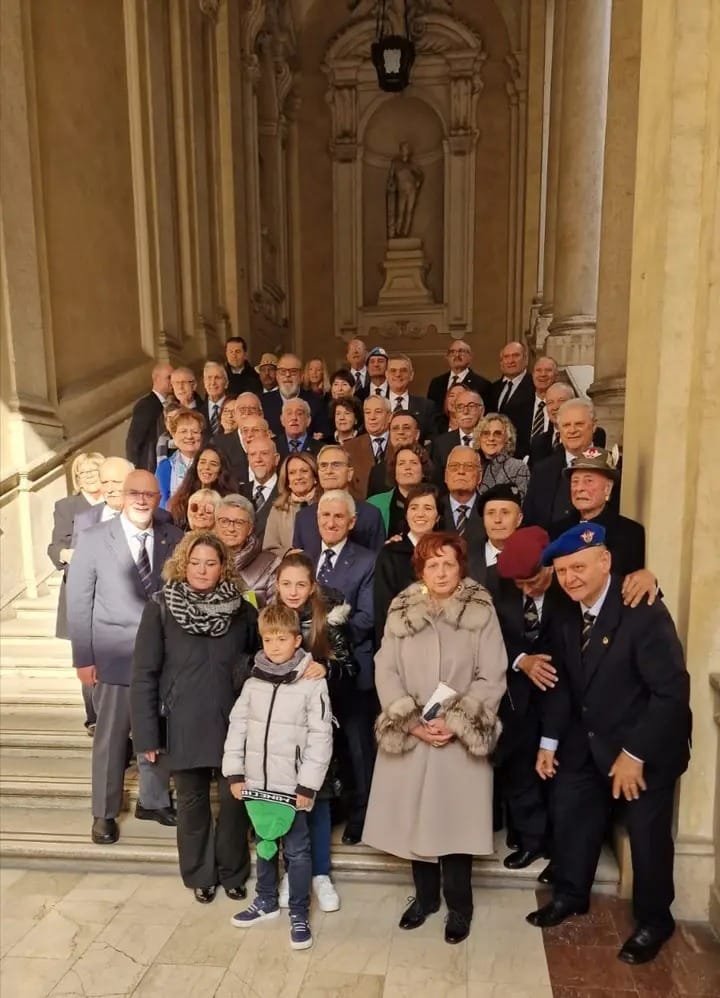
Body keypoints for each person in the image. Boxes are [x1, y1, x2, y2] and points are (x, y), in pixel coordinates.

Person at [526, 524, 691, 967]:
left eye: (578, 567)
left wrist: (635, 755)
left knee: (647, 836)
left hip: (645, 744)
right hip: (586, 738)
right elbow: (560, 681)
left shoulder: (642, 608)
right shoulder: (564, 609)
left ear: (606, 563)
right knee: (571, 811)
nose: (570, 579)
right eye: (561, 571)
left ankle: (656, 920)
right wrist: (549, 740)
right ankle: (571, 895)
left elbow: (672, 692)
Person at [363, 532, 507, 944]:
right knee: (414, 818)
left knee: (455, 822)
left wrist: (456, 721)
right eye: (432, 564)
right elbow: (385, 668)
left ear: (461, 566)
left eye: (448, 563)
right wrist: (410, 720)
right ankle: (425, 900)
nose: (441, 571)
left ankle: (460, 906)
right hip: (414, 731)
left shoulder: (480, 609)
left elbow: (492, 674)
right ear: (421, 570)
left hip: (456, 735)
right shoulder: (402, 608)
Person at [130, 531, 259, 903]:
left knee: (235, 803)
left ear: (224, 568)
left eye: (211, 563)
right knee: (191, 803)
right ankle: (200, 875)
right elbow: (143, 675)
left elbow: (260, 662)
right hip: (182, 721)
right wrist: (147, 736)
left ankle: (232, 872)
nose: (203, 570)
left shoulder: (242, 610)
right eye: (196, 562)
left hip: (233, 722)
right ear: (183, 565)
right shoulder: (161, 607)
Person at [66, 470, 183, 844]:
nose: (142, 499)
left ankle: (153, 800)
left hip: (162, 659)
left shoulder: (173, 537)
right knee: (112, 739)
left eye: (150, 493)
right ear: (121, 495)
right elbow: (79, 601)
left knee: (158, 733)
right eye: (135, 492)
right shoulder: (95, 539)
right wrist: (83, 658)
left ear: (159, 496)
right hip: (114, 657)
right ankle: (104, 812)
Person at [223, 603, 333, 951]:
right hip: (256, 783)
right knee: (265, 844)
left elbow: (321, 736)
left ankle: (299, 912)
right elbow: (237, 727)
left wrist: (308, 784)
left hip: (292, 786)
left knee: (298, 851)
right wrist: (235, 773)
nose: (273, 646)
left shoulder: (312, 682)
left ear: (297, 640)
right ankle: (266, 900)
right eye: (267, 639)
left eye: (281, 638)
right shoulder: (254, 681)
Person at [274, 552, 356, 913]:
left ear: (312, 588)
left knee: (317, 800)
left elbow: (351, 670)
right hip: (277, 731)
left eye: (300, 584)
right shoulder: (267, 619)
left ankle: (320, 873)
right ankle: (293, 870)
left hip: (317, 730)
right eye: (286, 584)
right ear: (276, 586)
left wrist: (327, 671)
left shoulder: (329, 622)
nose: (293, 591)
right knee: (285, 801)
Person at [493, 527, 564, 875]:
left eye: (532, 581)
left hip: (564, 694)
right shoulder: (499, 582)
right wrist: (522, 659)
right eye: (519, 584)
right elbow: (491, 633)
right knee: (519, 770)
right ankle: (530, 839)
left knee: (557, 774)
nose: (525, 589)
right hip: (515, 696)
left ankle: (554, 842)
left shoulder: (568, 583)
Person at [309, 490, 376, 845]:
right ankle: (331, 808)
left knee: (357, 746)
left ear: (351, 522)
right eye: (325, 516)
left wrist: (325, 633)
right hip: (309, 672)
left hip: (351, 669)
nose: (331, 523)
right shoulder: (305, 559)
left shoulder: (366, 561)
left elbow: (366, 617)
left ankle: (361, 816)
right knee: (324, 743)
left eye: (338, 517)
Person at [551, 447, 646, 578]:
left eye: (588, 481)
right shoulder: (556, 531)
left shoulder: (630, 533)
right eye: (575, 482)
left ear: (608, 488)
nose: (579, 488)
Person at [523, 398, 613, 531]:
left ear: (594, 426)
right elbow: (529, 521)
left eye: (579, 424)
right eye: (566, 425)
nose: (572, 430)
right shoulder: (542, 470)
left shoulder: (610, 466)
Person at [373, 484, 441, 645]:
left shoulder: (447, 554)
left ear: (438, 517)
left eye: (428, 508)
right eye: (414, 508)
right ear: (406, 514)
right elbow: (383, 609)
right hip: (401, 645)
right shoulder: (390, 554)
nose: (420, 514)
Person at [48, 451, 105, 640]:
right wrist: (66, 554)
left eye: (94, 470)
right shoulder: (66, 506)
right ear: (77, 479)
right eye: (83, 472)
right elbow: (55, 547)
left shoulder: (116, 504)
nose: (88, 475)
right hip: (80, 586)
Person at [292, 445, 386, 556]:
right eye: (323, 465)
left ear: (350, 474)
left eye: (336, 465)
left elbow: (379, 562)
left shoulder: (371, 514)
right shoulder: (303, 517)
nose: (329, 471)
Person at [214, 495, 280, 607]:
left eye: (239, 522)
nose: (231, 529)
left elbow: (275, 615)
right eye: (224, 521)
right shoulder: (202, 559)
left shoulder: (270, 563)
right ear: (216, 524)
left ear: (250, 529)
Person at [263, 453, 319, 559]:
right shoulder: (278, 508)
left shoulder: (325, 503)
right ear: (287, 480)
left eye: (304, 471)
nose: (298, 477)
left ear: (315, 476)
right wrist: (287, 554)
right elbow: (269, 548)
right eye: (292, 473)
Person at [485, 342, 535, 459]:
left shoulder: (534, 386)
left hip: (521, 453)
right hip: (494, 453)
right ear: (501, 362)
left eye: (516, 356)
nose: (510, 361)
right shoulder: (492, 388)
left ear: (526, 359)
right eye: (506, 357)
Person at [367, 443, 430, 536]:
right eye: (401, 463)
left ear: (423, 471)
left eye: (414, 463)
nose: (407, 468)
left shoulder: (434, 503)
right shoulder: (374, 504)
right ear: (394, 471)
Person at [262, 353, 329, 439]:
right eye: (283, 371)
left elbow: (324, 435)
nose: (287, 375)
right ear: (277, 376)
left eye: (293, 371)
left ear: (301, 377)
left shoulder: (316, 402)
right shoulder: (263, 402)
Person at [167, 446, 237, 528]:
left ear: (221, 470)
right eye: (203, 462)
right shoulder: (182, 500)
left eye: (213, 464)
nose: (207, 467)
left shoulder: (229, 502)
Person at [125, 362, 173, 471]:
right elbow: (134, 440)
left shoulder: (170, 404)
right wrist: (134, 469)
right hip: (148, 469)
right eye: (168, 378)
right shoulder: (146, 405)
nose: (172, 382)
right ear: (156, 379)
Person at [343, 395, 391, 500]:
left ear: (389, 416)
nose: (372, 417)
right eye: (367, 412)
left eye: (378, 412)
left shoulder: (400, 443)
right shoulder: (349, 448)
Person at [366, 411, 424, 497]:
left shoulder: (429, 467)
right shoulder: (377, 471)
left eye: (406, 428)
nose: (400, 432)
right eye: (395, 428)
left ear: (417, 434)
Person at [155, 408, 205, 508]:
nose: (189, 436)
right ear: (174, 435)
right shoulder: (166, 466)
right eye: (183, 431)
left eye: (195, 432)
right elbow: (161, 503)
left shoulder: (211, 461)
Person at [475, 413, 531, 500]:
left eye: (497, 434)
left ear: (507, 439)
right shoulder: (472, 465)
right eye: (486, 433)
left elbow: (521, 503)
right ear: (479, 438)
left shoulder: (518, 467)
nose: (491, 438)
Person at [426, 341, 491, 415]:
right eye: (452, 352)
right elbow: (430, 412)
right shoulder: (436, 383)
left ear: (470, 356)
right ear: (447, 357)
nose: (456, 355)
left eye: (461, 351)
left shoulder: (483, 384)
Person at [439, 446, 484, 548]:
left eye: (469, 467)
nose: (461, 471)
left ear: (479, 476)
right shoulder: (435, 509)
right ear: (446, 476)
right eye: (454, 466)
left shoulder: (489, 510)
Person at [213, 394, 266, 480]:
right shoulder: (219, 444)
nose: (247, 413)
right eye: (242, 409)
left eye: (252, 409)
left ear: (261, 414)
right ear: (235, 415)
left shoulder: (272, 443)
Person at [386, 353, 437, 442]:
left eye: (403, 370)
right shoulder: (376, 406)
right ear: (386, 375)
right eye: (393, 370)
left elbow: (432, 440)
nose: (398, 374)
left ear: (411, 375)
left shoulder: (426, 406)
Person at [240, 437, 280, 543]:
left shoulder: (286, 492)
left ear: (276, 459)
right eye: (252, 455)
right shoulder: (239, 491)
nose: (258, 459)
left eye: (264, 453)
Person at [432, 389, 485, 467]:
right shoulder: (441, 443)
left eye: (471, 406)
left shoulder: (489, 440)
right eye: (460, 407)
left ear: (482, 411)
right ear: (455, 413)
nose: (465, 411)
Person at [198, 361, 230, 437]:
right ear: (204, 382)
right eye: (209, 378)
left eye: (217, 378)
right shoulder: (198, 412)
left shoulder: (235, 407)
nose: (213, 382)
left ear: (226, 383)